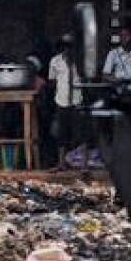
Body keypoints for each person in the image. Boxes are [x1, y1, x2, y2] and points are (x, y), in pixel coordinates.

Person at [48, 34, 85, 169]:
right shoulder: (55, 61)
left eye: (69, 47)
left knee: (80, 133)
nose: (67, 50)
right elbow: (52, 80)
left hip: (77, 99)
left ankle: (83, 163)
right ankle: (61, 163)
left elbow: (86, 77)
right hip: (61, 99)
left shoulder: (80, 61)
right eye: (64, 47)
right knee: (61, 134)